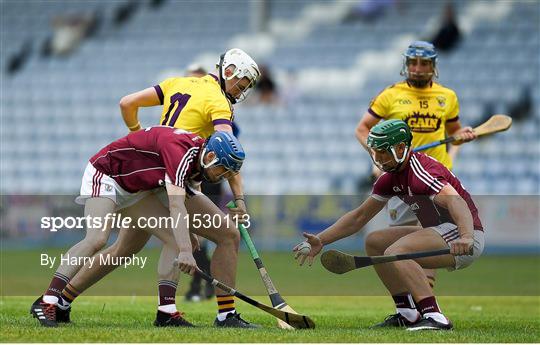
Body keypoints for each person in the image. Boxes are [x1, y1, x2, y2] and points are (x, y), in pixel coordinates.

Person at [31, 128, 257, 328]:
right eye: (223, 170)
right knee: (97, 239)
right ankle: (48, 300)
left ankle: (166, 313)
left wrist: (189, 236)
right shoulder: (181, 153)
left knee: (173, 239)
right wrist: (187, 250)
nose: (223, 177)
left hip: (138, 189)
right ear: (210, 156)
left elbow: (186, 194)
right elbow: (177, 205)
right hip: (107, 175)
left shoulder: (199, 160)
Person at [294, 120, 485, 331]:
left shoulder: (422, 171)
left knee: (398, 251)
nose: (378, 159)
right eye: (375, 153)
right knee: (375, 242)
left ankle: (434, 316)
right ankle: (408, 313)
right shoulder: (390, 177)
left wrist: (466, 236)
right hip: (438, 231)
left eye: (383, 152)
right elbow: (359, 217)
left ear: (401, 148)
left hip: (462, 233)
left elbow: (455, 202)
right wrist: (321, 240)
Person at [354, 41, 475, 299]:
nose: (418, 69)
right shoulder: (390, 95)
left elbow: (454, 133)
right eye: (413, 63)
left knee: (426, 240)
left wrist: (455, 148)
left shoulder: (447, 97)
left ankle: (426, 308)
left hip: (432, 181)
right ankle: (410, 308)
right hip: (400, 179)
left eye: (424, 63)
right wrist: (377, 159)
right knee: (396, 245)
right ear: (406, 65)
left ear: (433, 67)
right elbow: (362, 129)